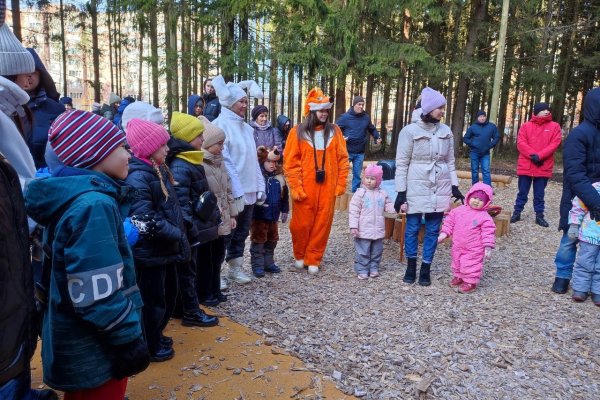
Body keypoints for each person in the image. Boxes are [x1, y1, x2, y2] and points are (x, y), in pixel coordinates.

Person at [25, 110, 150, 399]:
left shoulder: (76, 199)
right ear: (94, 155)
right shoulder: (93, 205)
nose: (129, 154)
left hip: (80, 340)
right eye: (121, 147)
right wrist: (128, 339)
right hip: (96, 347)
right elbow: (97, 290)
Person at [125, 118, 191, 362]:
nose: (168, 148)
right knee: (152, 302)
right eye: (162, 145)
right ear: (148, 148)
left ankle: (156, 335)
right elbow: (145, 217)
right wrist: (176, 233)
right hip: (150, 253)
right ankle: (150, 344)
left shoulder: (158, 169)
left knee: (165, 296)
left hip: (163, 249)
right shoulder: (138, 177)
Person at [394, 87, 463, 286]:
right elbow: (402, 163)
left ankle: (425, 268)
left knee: (433, 229)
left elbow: (450, 162)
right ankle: (411, 266)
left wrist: (454, 186)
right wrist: (401, 191)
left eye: (443, 108)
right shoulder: (409, 131)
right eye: (439, 107)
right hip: (415, 185)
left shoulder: (446, 131)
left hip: (439, 186)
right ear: (429, 108)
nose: (442, 111)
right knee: (413, 228)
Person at [284, 87, 349, 275]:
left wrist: (340, 183)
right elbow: (290, 163)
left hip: (327, 187)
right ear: (312, 111)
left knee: (322, 223)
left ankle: (314, 257)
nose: (324, 114)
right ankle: (300, 254)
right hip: (305, 187)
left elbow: (343, 159)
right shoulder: (297, 132)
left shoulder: (335, 132)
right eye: (321, 110)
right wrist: (296, 187)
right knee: (300, 224)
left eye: (326, 110)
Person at [168, 111, 223, 318]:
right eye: (199, 135)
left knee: (193, 270)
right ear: (187, 138)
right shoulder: (182, 165)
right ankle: (190, 312)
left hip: (196, 228)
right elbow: (182, 204)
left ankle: (186, 308)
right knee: (188, 272)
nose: (202, 139)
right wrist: (190, 230)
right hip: (191, 231)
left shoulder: (190, 161)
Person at [212, 74, 265, 284]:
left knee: (242, 232)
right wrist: (236, 191)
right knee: (225, 233)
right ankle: (215, 273)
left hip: (248, 191)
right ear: (229, 102)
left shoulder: (246, 128)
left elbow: (252, 161)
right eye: (241, 102)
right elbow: (226, 162)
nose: (245, 105)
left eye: (246, 101)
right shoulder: (220, 126)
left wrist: (259, 186)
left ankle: (235, 268)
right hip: (231, 192)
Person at [553, 88, 600, 294]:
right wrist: (594, 201)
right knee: (569, 239)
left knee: (595, 241)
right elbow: (575, 173)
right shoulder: (579, 135)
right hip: (578, 198)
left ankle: (590, 283)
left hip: (598, 196)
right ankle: (562, 277)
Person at [7, 48, 65, 169]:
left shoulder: (55, 108)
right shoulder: (4, 105)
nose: (28, 77)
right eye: (23, 71)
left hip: (45, 177)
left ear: (41, 75)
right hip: (10, 177)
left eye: (33, 72)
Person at [201, 123, 238, 298]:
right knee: (207, 257)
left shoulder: (219, 161)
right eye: (219, 144)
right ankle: (207, 291)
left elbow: (227, 189)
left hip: (222, 216)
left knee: (218, 254)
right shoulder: (202, 163)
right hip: (210, 219)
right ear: (207, 143)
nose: (222, 147)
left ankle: (214, 288)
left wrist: (231, 213)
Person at [437, 183, 496, 293]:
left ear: (487, 202)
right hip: (458, 244)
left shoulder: (485, 217)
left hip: (474, 248)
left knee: (470, 263)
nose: (476, 201)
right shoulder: (458, 211)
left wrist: (487, 246)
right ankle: (459, 276)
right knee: (457, 260)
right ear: (469, 196)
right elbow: (449, 222)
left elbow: (488, 232)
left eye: (480, 200)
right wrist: (444, 234)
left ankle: (470, 281)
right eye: (474, 198)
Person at [510, 102, 561, 227]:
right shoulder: (526, 126)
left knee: (539, 193)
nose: (546, 111)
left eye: (548, 109)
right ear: (536, 111)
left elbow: (555, 143)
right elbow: (521, 143)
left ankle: (539, 215)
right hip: (526, 164)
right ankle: (517, 213)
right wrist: (533, 155)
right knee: (522, 192)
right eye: (543, 109)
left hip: (543, 165)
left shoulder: (554, 126)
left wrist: (540, 156)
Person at [348, 164, 396, 279]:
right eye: (367, 178)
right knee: (363, 251)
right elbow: (353, 210)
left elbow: (389, 206)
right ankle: (362, 269)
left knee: (376, 251)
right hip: (363, 229)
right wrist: (353, 226)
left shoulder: (382, 194)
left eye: (372, 179)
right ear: (364, 178)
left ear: (378, 180)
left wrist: (398, 207)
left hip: (378, 229)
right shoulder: (360, 194)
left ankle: (374, 267)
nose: (369, 181)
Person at [250, 146, 289, 277]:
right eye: (268, 162)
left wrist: (285, 210)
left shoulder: (279, 178)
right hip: (259, 217)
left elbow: (285, 196)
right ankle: (258, 266)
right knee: (258, 241)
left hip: (273, 216)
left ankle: (268, 263)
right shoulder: (258, 178)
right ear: (262, 162)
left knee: (272, 241)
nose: (272, 165)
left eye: (274, 162)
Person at [336, 96, 381, 192]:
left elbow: (372, 128)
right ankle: (338, 193)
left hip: (359, 152)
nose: (361, 106)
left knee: (357, 175)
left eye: (362, 104)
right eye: (359, 104)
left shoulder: (366, 117)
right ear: (353, 105)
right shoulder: (345, 117)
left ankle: (354, 195)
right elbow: (336, 130)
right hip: (346, 151)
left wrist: (377, 137)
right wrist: (341, 138)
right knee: (341, 173)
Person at [567, 182, 600, 305]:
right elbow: (578, 207)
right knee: (584, 262)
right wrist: (574, 225)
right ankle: (581, 288)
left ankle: (598, 290)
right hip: (589, 235)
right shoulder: (593, 189)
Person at [463, 110, 500, 186]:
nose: (482, 118)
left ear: (486, 117)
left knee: (486, 171)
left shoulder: (491, 126)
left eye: (483, 116)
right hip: (474, 152)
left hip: (485, 153)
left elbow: (497, 137)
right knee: (474, 171)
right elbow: (466, 138)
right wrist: (472, 144)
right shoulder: (473, 127)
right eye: (480, 116)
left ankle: (488, 189)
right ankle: (475, 188)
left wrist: (490, 145)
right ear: (477, 118)